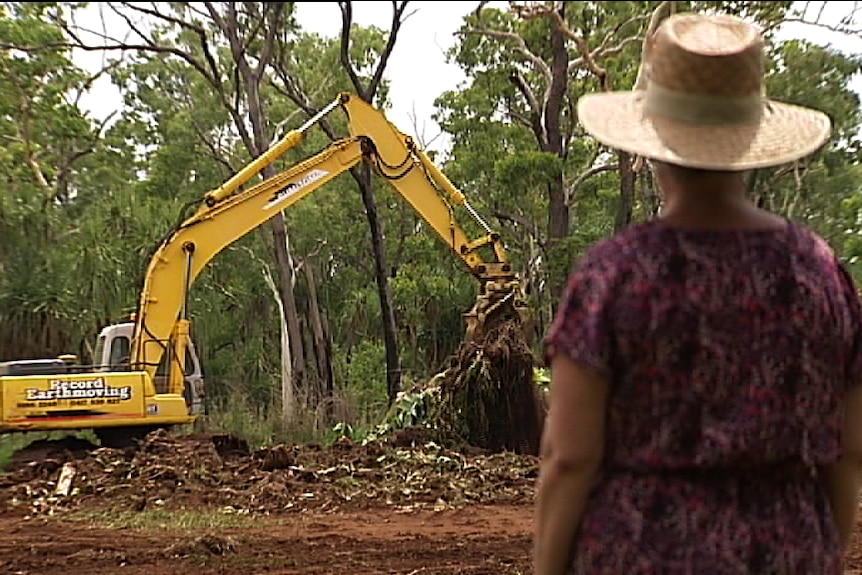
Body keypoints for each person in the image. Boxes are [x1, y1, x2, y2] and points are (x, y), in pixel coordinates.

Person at [533, 11, 862, 575]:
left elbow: (569, 457)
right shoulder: (820, 274)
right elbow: (848, 449)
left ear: (654, 139)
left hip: (639, 552)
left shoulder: (613, 275)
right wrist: (813, 549)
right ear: (753, 137)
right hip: (786, 549)